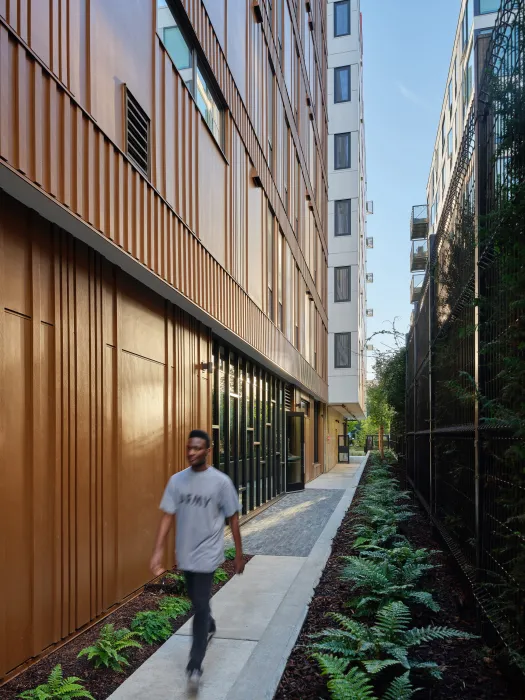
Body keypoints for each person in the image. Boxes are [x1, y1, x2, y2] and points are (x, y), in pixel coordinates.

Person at [150, 429, 245, 689]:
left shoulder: (221, 482)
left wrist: (238, 553)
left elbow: (233, 518)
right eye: (189, 447)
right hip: (186, 554)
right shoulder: (176, 481)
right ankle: (210, 622)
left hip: (208, 553)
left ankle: (194, 666)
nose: (191, 452)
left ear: (208, 451)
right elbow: (167, 516)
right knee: (198, 600)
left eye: (197, 448)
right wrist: (158, 550)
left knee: (199, 607)